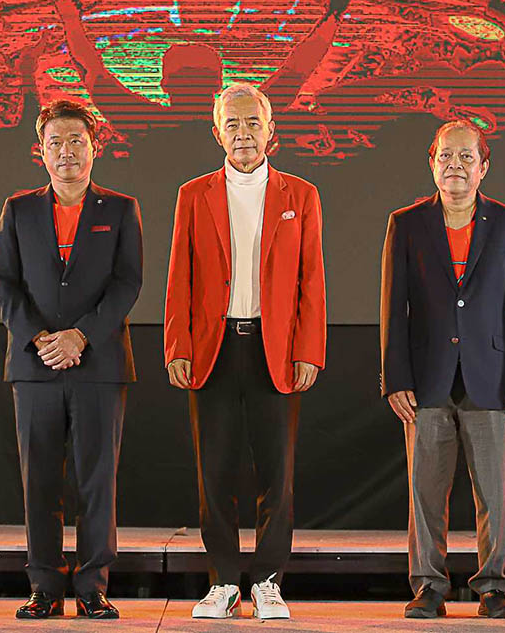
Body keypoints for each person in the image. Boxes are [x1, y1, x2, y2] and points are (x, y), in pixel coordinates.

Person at [163, 83, 326, 620]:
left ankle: (269, 582)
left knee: (277, 472)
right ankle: (225, 581)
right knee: (215, 471)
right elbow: (179, 276)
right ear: (216, 133)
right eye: (231, 124)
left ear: (271, 130)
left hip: (274, 350)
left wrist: (309, 349)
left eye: (253, 122)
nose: (243, 134)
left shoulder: (301, 195)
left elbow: (311, 280)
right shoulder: (193, 194)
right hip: (212, 349)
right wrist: (177, 345)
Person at [380, 120, 505, 620]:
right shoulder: (406, 224)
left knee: (494, 493)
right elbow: (393, 307)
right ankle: (429, 587)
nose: (455, 165)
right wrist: (395, 378)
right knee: (425, 494)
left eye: (466, 157)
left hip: (491, 379)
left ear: (483, 167)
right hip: (426, 380)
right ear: (432, 163)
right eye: (446, 156)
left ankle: (493, 587)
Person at [0, 99, 143, 620]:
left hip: (99, 364)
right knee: (40, 482)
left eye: (76, 141)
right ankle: (44, 587)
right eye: (55, 142)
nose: (66, 152)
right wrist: (40, 339)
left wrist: (81, 336)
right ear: (41, 151)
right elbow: (3, 284)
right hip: (35, 366)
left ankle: (93, 587)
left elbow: (127, 283)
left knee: (97, 480)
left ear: (94, 147)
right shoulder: (18, 209)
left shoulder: (120, 209)